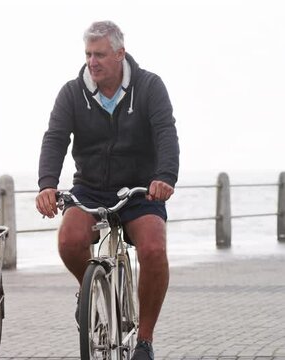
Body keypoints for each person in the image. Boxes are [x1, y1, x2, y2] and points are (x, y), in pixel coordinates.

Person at [35, 21, 179, 360]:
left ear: (119, 54)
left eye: (100, 54)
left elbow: (165, 134)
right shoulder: (72, 92)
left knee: (155, 250)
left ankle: (144, 340)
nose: (92, 62)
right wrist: (47, 185)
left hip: (140, 189)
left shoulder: (149, 87)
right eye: (88, 54)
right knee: (69, 241)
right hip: (90, 188)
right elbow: (55, 139)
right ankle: (89, 289)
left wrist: (165, 177)